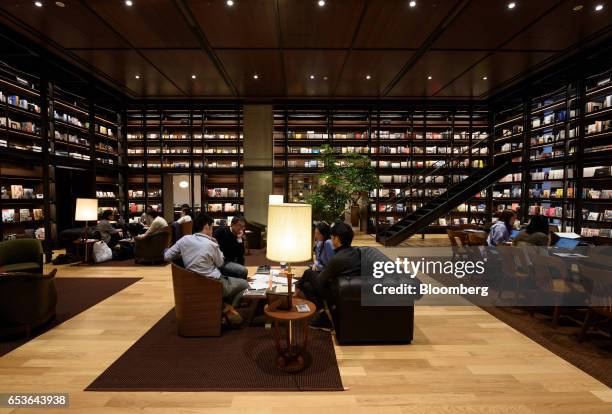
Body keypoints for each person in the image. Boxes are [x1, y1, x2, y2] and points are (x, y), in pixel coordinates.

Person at [164, 212, 248, 326]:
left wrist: (185, 254)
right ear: (206, 227)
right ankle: (228, 309)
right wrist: (217, 248)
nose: (212, 230)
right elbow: (220, 263)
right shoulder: (211, 244)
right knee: (245, 285)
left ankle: (223, 306)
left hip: (193, 284)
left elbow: (167, 256)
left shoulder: (184, 240)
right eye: (211, 227)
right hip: (214, 284)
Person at [304, 222, 361, 332]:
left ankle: (325, 319)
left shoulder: (338, 258)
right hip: (348, 289)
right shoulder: (355, 252)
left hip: (337, 292)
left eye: (332, 236)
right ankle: (323, 315)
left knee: (309, 274)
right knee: (307, 285)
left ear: (337, 239)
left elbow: (320, 280)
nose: (331, 239)